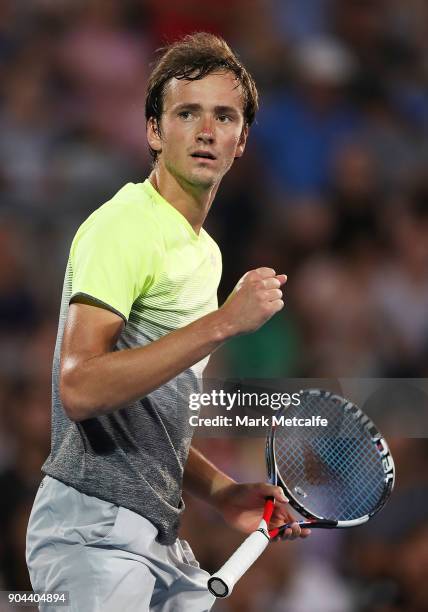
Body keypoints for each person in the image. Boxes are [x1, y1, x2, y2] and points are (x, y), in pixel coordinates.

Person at [26, 32, 310, 612]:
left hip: (155, 537)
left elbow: (145, 417)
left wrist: (222, 492)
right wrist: (224, 323)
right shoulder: (124, 225)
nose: (207, 130)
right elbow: (80, 387)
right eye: (187, 113)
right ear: (154, 131)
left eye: (224, 116)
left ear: (241, 141)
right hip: (93, 534)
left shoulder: (205, 255)